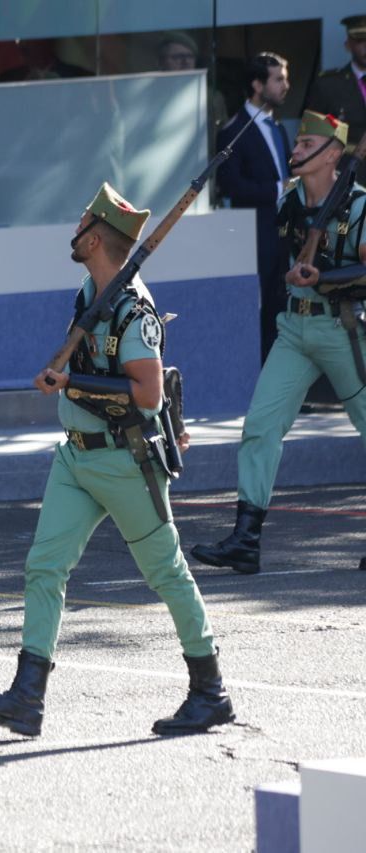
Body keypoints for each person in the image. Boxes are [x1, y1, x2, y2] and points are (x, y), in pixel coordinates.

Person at [0, 183, 234, 738]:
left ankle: (210, 690)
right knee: (44, 566)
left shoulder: (135, 310)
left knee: (166, 573)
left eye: (82, 224)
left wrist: (71, 381)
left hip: (125, 459)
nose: (73, 232)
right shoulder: (90, 292)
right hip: (77, 458)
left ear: (99, 237)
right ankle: (27, 697)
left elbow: (149, 393)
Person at [192, 111, 366, 575]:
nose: (297, 149)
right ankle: (246, 540)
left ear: (333, 154)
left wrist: (324, 276)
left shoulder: (360, 205)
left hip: (343, 327)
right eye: (299, 141)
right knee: (260, 428)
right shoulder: (291, 199)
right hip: (295, 328)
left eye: (308, 143)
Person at [215, 53, 291, 362]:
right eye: (279, 79)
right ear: (257, 85)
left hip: (284, 233)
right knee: (261, 311)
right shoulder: (234, 131)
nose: (286, 85)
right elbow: (232, 186)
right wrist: (277, 189)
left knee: (282, 310)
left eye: (285, 78)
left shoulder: (278, 127)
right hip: (256, 236)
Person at [304, 15, 366, 147]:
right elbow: (310, 137)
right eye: (361, 40)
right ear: (348, 45)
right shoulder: (327, 85)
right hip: (346, 164)